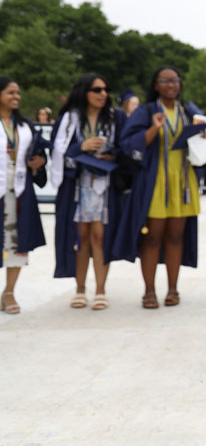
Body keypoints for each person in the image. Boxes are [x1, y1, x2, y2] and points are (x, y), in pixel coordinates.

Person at [115, 67, 201, 309]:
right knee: (152, 237)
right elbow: (128, 143)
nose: (171, 84)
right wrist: (154, 128)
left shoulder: (187, 111)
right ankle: (149, 291)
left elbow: (195, 143)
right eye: (165, 80)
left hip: (182, 180)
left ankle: (173, 290)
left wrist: (200, 137)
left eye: (175, 80)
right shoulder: (147, 111)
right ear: (156, 85)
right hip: (156, 181)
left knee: (175, 236)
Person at [50, 74, 126, 310]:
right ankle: (80, 289)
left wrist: (112, 155)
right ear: (84, 92)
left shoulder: (116, 117)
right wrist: (80, 147)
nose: (103, 94)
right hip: (77, 184)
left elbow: (126, 147)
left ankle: (101, 289)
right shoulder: (68, 120)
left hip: (105, 184)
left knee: (100, 236)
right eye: (97, 89)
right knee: (79, 237)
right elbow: (57, 151)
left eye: (105, 89)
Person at [0, 77, 48, 314]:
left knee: (16, 245)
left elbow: (38, 153)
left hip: (18, 193)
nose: (16, 97)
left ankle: (9, 292)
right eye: (10, 93)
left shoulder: (25, 125)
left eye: (17, 93)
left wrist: (39, 162)